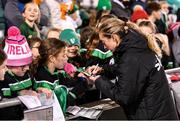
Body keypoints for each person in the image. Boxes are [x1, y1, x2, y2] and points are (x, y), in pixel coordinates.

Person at [86, 18, 178, 120]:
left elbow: (123, 96)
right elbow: (129, 70)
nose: (104, 47)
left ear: (114, 37)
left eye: (104, 42)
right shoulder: (136, 47)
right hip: (159, 113)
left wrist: (98, 80)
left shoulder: (132, 56)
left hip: (152, 116)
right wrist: (102, 69)